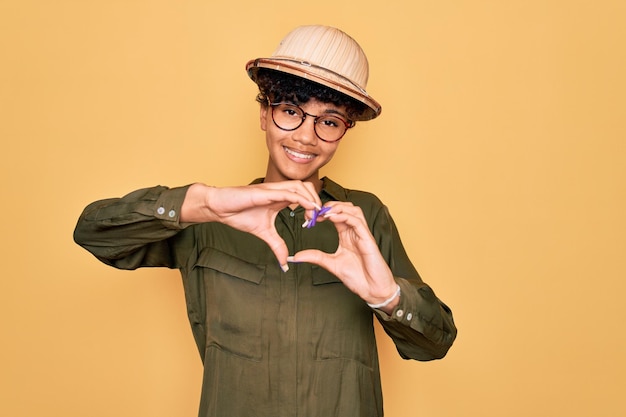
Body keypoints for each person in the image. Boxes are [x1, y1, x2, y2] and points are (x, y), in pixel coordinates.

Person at [74, 25, 457, 417]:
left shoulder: (365, 217)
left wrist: (388, 297)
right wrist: (203, 203)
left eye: (328, 121)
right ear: (264, 113)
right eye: (291, 111)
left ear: (345, 130)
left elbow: (435, 342)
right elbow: (93, 232)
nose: (307, 137)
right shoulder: (208, 217)